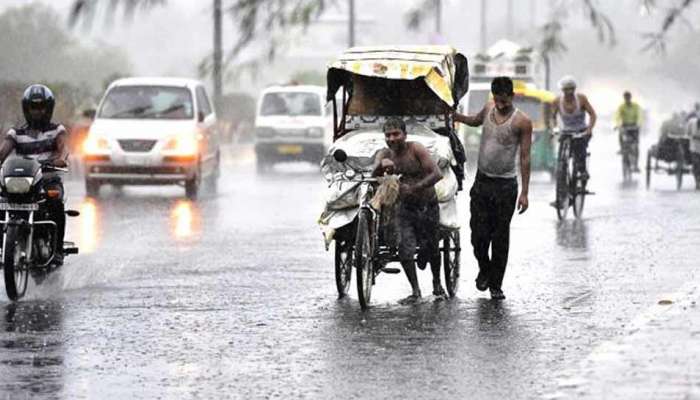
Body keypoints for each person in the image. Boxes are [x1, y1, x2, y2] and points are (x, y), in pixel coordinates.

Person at [453, 76, 532, 300]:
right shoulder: (488, 107)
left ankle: (496, 285)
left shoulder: (522, 122)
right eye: (497, 100)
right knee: (478, 235)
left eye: (504, 101)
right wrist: (456, 116)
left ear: (512, 97)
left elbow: (525, 158)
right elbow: (475, 121)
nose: (500, 105)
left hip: (506, 186)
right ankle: (484, 268)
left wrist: (525, 193)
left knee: (499, 237)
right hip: (482, 182)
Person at [373, 118, 443, 303]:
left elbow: (437, 173)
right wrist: (380, 167)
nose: (392, 138)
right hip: (404, 208)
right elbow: (373, 176)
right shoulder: (384, 153)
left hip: (428, 205)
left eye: (396, 134)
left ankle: (437, 283)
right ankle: (415, 291)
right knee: (405, 249)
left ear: (405, 135)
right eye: (388, 135)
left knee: (433, 248)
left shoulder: (416, 149)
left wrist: (414, 188)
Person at [0, 84, 69, 268]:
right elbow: (3, 151)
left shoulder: (57, 130)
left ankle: (58, 249)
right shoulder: (16, 133)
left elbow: (63, 150)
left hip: (47, 180)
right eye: (33, 107)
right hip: (23, 181)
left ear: (48, 108)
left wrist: (60, 159)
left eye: (41, 107)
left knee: (55, 201)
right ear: (26, 108)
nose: (37, 111)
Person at [552, 76, 597, 178]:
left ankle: (582, 170)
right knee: (561, 151)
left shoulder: (581, 99)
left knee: (580, 149)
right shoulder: (557, 101)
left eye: (571, 89)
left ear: (574, 89)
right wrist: (555, 128)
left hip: (581, 130)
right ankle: (561, 170)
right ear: (562, 90)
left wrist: (589, 129)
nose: (569, 92)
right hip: (566, 131)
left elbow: (592, 114)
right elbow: (552, 117)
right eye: (566, 90)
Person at [614, 91, 642, 171]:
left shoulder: (635, 106)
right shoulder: (621, 107)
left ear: (630, 98)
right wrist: (618, 124)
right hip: (625, 126)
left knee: (636, 146)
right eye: (625, 98)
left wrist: (639, 124)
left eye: (628, 97)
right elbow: (617, 116)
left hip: (634, 127)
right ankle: (622, 148)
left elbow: (640, 116)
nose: (627, 99)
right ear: (624, 98)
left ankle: (636, 165)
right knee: (621, 135)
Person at [685, 114, 700, 190]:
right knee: (696, 164)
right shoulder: (691, 122)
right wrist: (692, 136)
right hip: (694, 147)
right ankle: (697, 181)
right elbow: (687, 133)